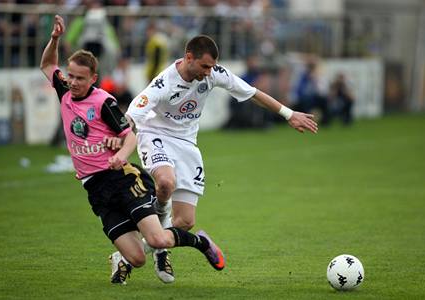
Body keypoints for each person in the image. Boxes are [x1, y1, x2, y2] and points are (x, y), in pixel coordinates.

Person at [40, 15, 225, 285]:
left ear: (93, 78)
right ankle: (129, 257)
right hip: (95, 189)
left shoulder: (104, 102)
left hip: (123, 179)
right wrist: (55, 38)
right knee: (137, 257)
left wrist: (119, 156)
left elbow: (130, 137)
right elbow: (47, 64)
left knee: (159, 238)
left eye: (81, 78)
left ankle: (200, 242)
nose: (74, 82)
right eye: (71, 76)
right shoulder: (65, 91)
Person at [125, 35, 318, 283]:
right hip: (156, 135)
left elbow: (253, 93)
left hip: (187, 144)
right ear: (188, 58)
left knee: (185, 222)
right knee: (165, 182)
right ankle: (161, 250)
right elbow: (131, 116)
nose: (208, 73)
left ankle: (147, 249)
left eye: (211, 67)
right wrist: (115, 144)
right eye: (204, 67)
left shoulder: (215, 73)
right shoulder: (163, 83)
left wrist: (288, 114)